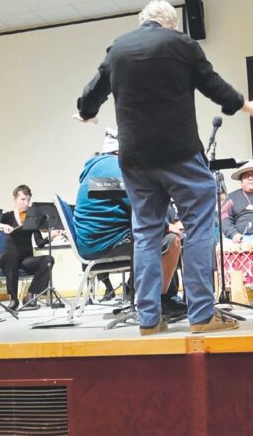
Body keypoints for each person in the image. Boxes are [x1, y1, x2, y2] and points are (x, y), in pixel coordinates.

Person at [76, 0, 253, 335]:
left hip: (136, 160)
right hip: (180, 155)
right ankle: (201, 316)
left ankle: (149, 321)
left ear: (143, 22)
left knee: (145, 233)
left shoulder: (118, 50)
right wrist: (246, 107)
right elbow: (215, 86)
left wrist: (85, 113)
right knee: (198, 227)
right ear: (170, 24)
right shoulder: (181, 43)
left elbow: (90, 95)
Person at [74, 127, 187, 321]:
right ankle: (160, 301)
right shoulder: (115, 167)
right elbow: (144, 204)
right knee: (170, 240)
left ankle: (164, 299)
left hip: (97, 239)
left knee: (161, 235)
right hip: (104, 242)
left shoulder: (100, 165)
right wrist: (168, 226)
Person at [0, 185, 62, 311]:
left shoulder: (31, 219)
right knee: (11, 257)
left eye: (28, 200)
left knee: (48, 260)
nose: (26, 203)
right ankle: (13, 299)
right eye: (23, 199)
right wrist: (2, 225)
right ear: (15, 199)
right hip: (8, 257)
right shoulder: (8, 216)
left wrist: (50, 237)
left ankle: (30, 295)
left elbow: (39, 243)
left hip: (25, 259)